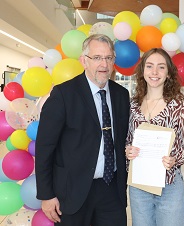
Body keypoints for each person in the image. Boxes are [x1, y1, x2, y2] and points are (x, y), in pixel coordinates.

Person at [35, 34, 130, 226]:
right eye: (97, 58)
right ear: (83, 61)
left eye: (108, 58)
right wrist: (46, 195)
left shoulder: (121, 95)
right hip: (72, 193)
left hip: (112, 191)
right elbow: (45, 147)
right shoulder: (63, 94)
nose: (103, 64)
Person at [125, 48, 184, 226]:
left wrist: (174, 159)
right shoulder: (133, 105)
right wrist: (127, 150)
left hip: (169, 185)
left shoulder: (179, 105)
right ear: (142, 71)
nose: (154, 72)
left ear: (169, 73)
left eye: (161, 67)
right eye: (149, 66)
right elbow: (126, 140)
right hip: (139, 186)